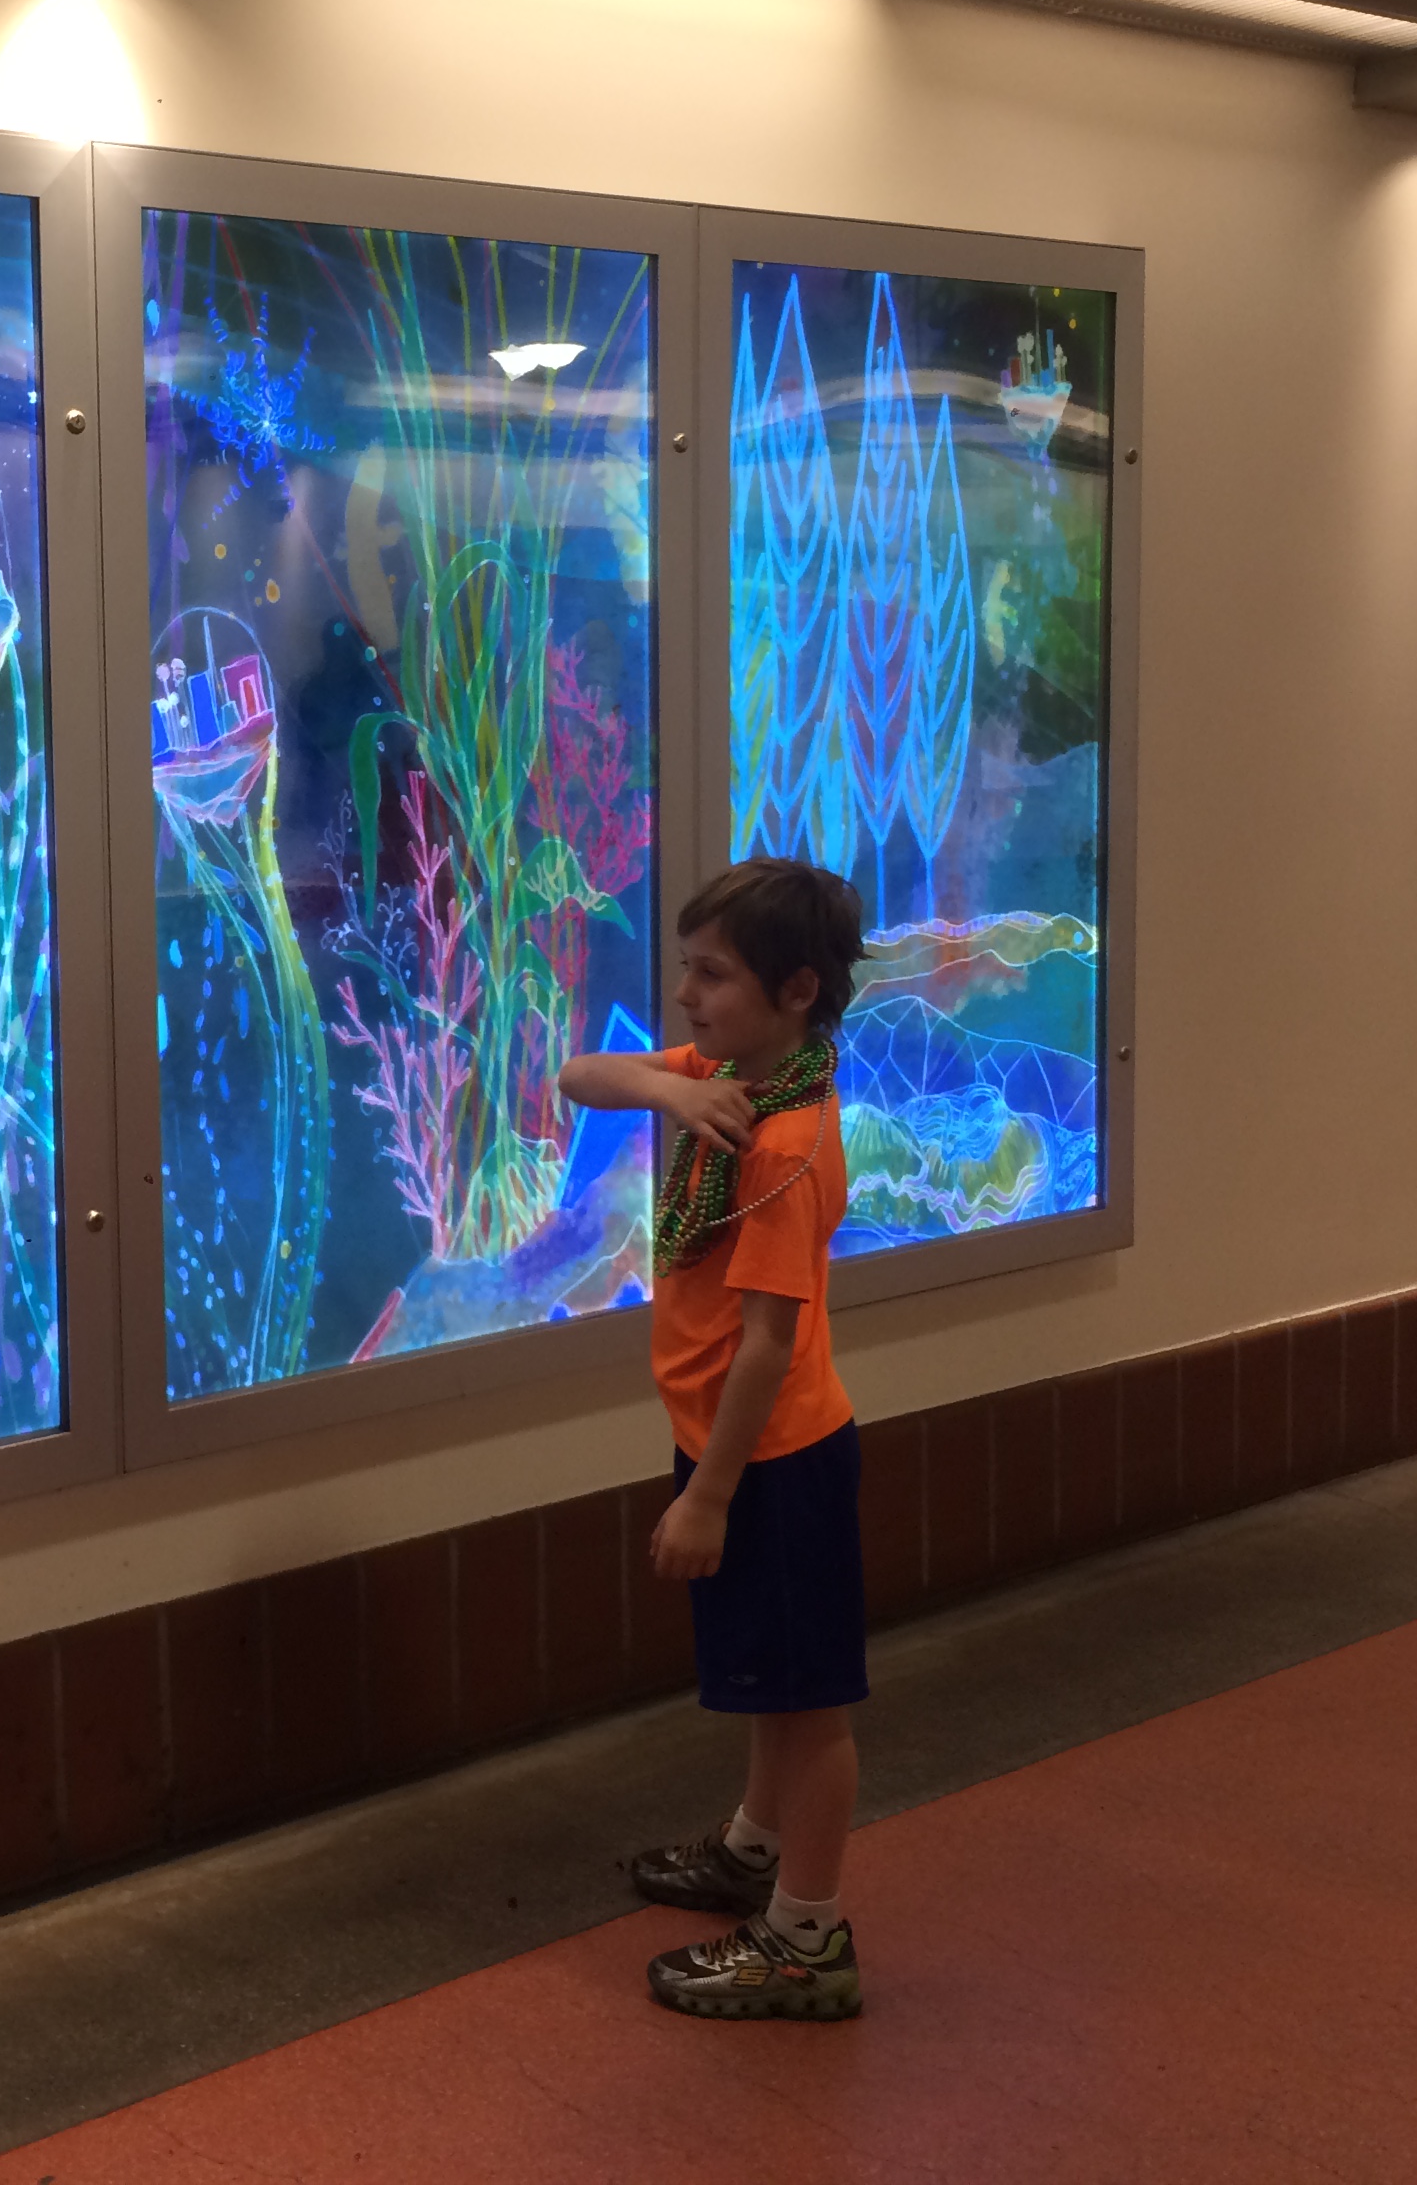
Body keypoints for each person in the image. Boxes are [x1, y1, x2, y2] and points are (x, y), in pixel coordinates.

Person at [556, 856, 868, 2022]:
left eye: (712, 975)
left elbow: (767, 1346)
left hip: (771, 1461)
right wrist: (672, 1093)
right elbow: (579, 1074)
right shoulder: (732, 1081)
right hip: (738, 1450)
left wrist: (708, 1498)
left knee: (809, 1704)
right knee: (770, 1686)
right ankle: (753, 1850)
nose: (687, 995)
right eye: (686, 969)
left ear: (796, 991)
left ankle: (807, 1936)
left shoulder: (781, 1144)